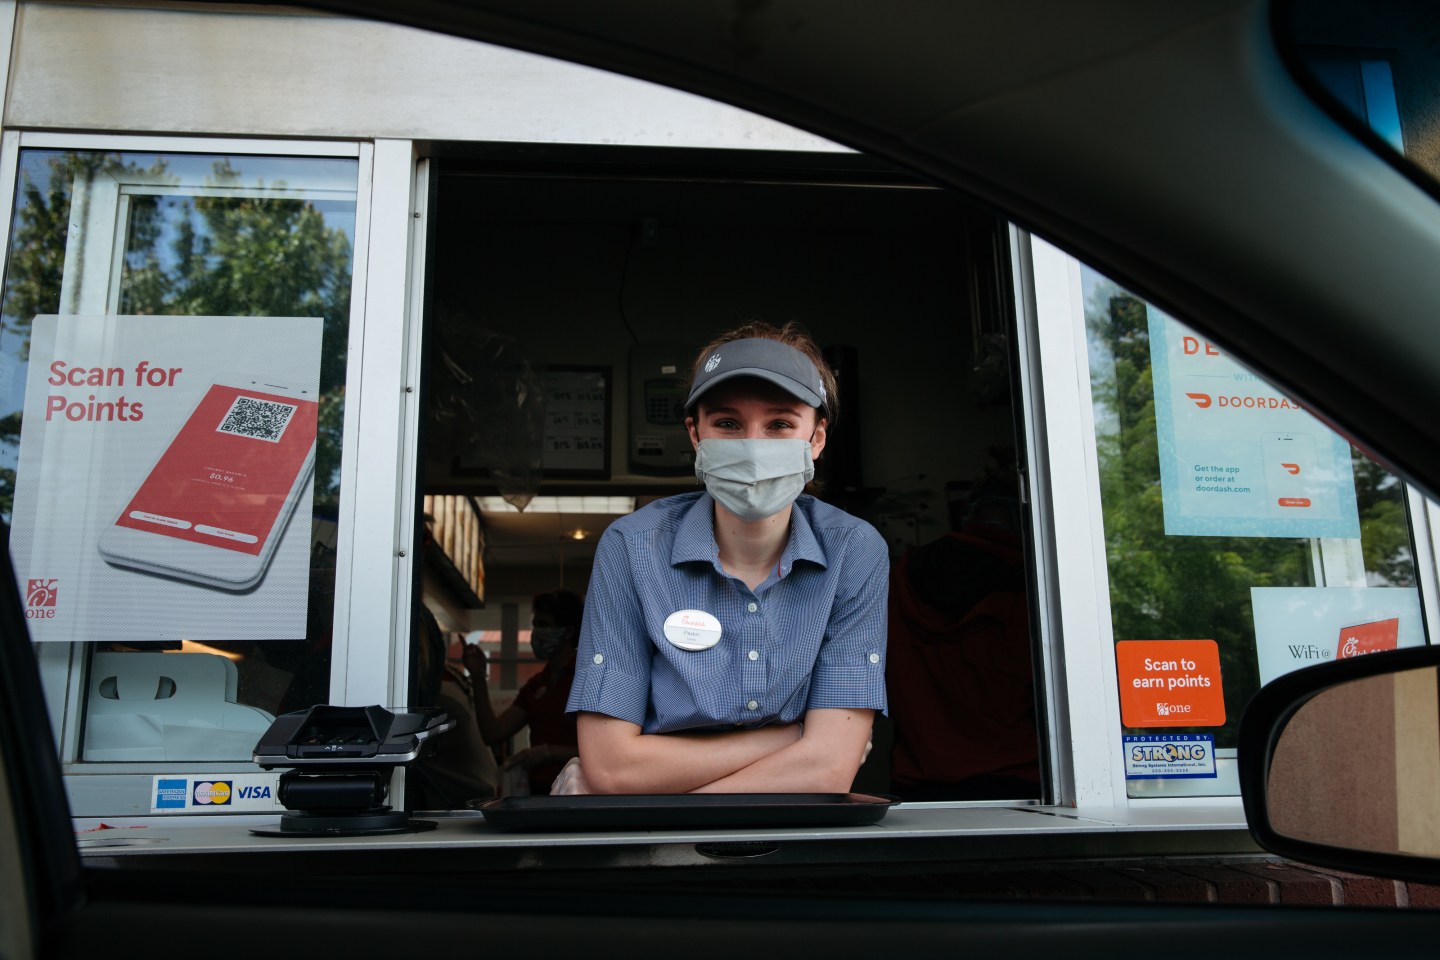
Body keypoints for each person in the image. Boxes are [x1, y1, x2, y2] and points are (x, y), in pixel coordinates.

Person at [557, 321, 888, 794]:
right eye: (728, 424)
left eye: (780, 425)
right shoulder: (632, 546)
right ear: (695, 434)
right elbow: (614, 768)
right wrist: (791, 737)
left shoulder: (853, 550)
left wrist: (650, 799)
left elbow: (827, 772)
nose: (754, 447)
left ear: (816, 439)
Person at [462, 588, 583, 795]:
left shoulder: (585, 680)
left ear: (568, 632)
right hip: (538, 791)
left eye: (544, 625)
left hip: (576, 791)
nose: (536, 633)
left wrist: (548, 753)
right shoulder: (537, 684)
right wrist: (478, 676)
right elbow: (493, 733)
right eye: (535, 625)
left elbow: (606, 750)